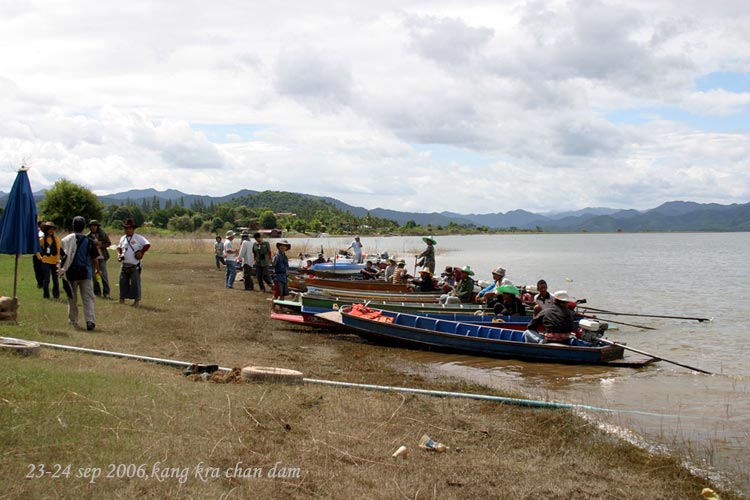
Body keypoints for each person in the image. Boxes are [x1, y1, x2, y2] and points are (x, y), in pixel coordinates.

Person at [59, 216, 101, 330]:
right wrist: (98, 269)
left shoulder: (66, 240)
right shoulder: (89, 241)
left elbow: (61, 257)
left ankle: (73, 321)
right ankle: (90, 321)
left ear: (73, 226)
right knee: (88, 299)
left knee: (72, 299)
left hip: (70, 273)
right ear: (83, 227)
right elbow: (95, 259)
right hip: (85, 273)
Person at [117, 218, 151, 307]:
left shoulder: (138, 237)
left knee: (135, 284)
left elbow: (147, 245)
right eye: (126, 228)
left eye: (129, 228)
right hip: (124, 264)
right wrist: (119, 255)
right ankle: (121, 299)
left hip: (135, 265)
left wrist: (141, 252)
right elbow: (119, 248)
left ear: (133, 229)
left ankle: (136, 302)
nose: (128, 230)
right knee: (122, 283)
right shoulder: (122, 238)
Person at [36, 221, 61, 300]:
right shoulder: (42, 240)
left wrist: (58, 260)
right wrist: (40, 257)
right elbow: (36, 249)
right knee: (46, 279)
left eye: (52, 229)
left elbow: (58, 250)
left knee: (56, 280)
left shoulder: (56, 239)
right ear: (46, 230)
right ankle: (46, 295)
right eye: (50, 229)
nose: (51, 231)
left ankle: (56, 295)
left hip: (54, 262)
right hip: (46, 262)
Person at [88, 220, 111, 298]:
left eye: (95, 225)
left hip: (102, 257)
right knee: (93, 276)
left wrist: (101, 245)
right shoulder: (87, 236)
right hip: (92, 258)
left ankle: (106, 293)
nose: (94, 227)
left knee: (104, 275)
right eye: (92, 226)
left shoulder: (103, 234)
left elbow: (108, 243)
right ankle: (97, 292)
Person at [33, 220, 45, 289]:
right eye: (42, 225)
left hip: (45, 252)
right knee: (37, 269)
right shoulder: (36, 232)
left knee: (44, 269)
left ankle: (43, 282)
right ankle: (40, 283)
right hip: (37, 252)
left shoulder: (47, 233)